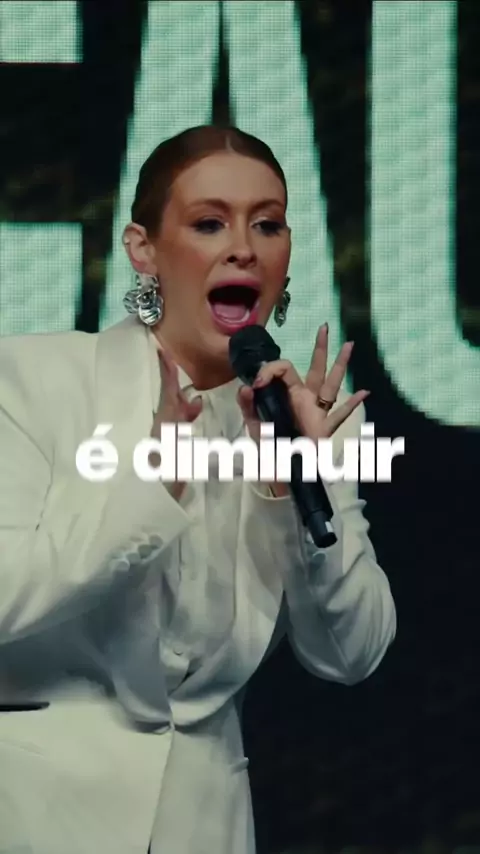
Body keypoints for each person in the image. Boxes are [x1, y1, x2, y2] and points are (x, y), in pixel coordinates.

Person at [0, 124, 396, 854]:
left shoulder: (307, 419)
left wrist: (292, 484)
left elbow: (351, 653)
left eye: (267, 224)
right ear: (143, 249)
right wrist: (152, 488)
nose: (243, 247)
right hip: (37, 819)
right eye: (209, 223)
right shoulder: (32, 381)